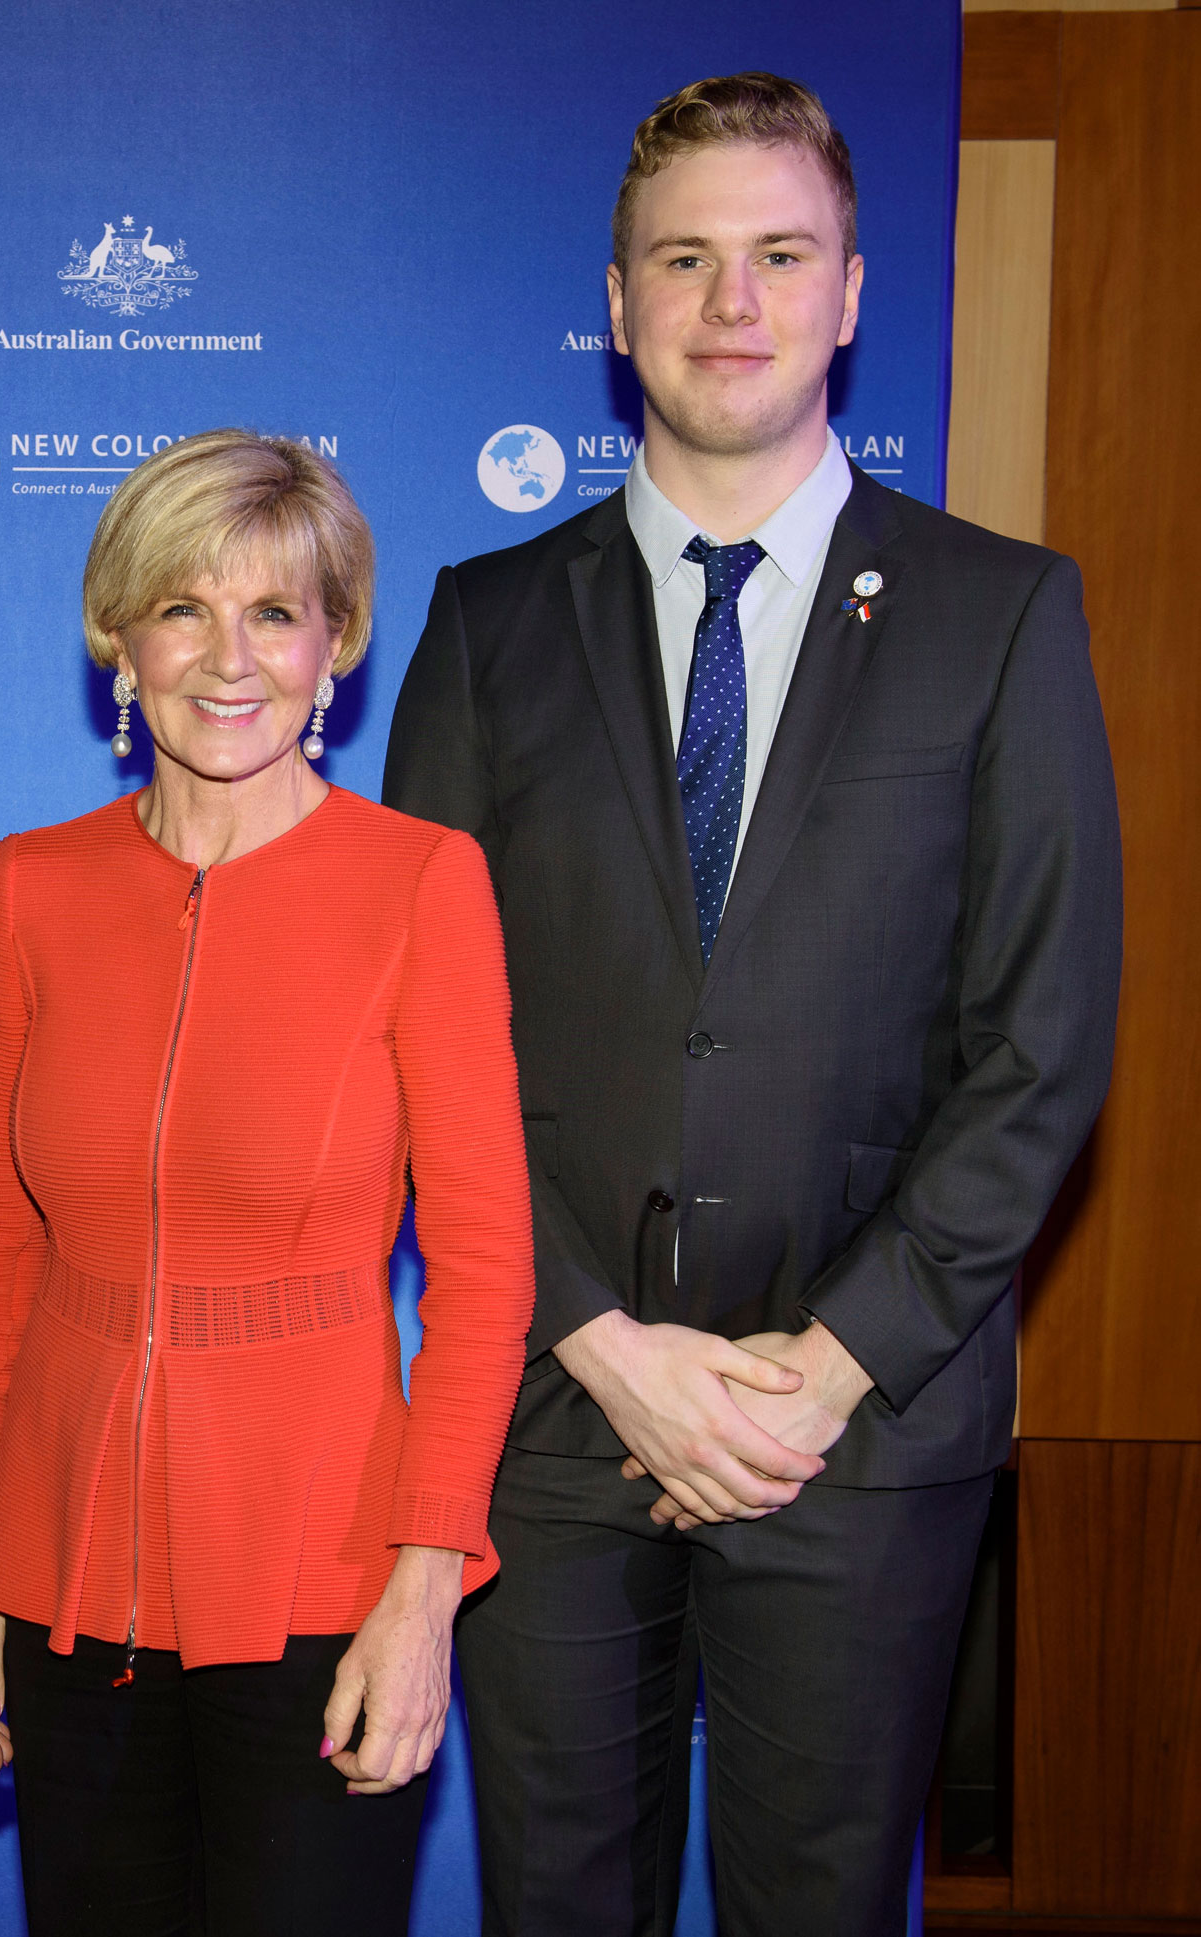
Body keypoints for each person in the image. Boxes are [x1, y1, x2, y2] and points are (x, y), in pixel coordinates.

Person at [384, 74, 1122, 1936]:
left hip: (861, 1428)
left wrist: (832, 1360)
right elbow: (415, 1036)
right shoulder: (482, 621)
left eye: (777, 255)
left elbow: (1040, 1043)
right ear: (617, 306)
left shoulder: (1001, 611)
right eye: (684, 259)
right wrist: (602, 1342)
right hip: (554, 1421)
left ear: (851, 292)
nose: (732, 301)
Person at [0, 430, 535, 1936]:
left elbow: (482, 1272)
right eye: (182, 607)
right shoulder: (29, 887)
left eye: (275, 612)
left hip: (320, 1573)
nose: (228, 656)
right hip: (61, 1576)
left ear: (333, 646)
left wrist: (423, 1590)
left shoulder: (419, 880)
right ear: (115, 637)